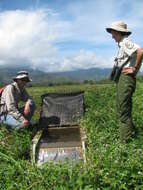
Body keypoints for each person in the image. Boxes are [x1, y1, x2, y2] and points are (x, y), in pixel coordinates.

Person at [106, 21, 143, 143]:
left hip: (126, 78)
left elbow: (140, 51)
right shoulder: (122, 44)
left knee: (123, 110)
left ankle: (125, 142)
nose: (112, 36)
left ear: (118, 32)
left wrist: (135, 68)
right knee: (123, 107)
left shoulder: (125, 42)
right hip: (123, 78)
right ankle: (130, 134)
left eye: (113, 33)